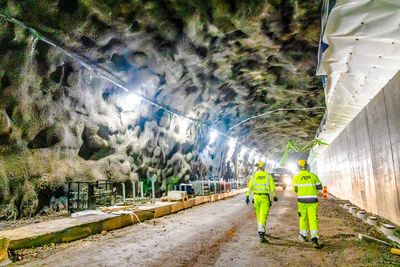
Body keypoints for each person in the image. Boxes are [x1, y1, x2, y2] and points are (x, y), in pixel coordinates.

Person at [292, 159, 323, 248]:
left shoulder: (296, 177)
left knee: (303, 218)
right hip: (312, 201)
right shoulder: (313, 176)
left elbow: (295, 189)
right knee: (313, 219)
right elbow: (320, 187)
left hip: (301, 201)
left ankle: (303, 236)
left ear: (298, 167)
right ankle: (314, 239)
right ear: (307, 166)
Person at [246, 161, 278, 243]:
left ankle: (261, 229)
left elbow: (250, 186)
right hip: (264, 198)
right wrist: (274, 196)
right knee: (263, 215)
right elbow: (272, 187)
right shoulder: (268, 176)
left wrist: (247, 196)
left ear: (258, 167)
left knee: (259, 214)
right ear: (263, 167)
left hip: (256, 197)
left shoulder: (253, 176)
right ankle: (261, 233)